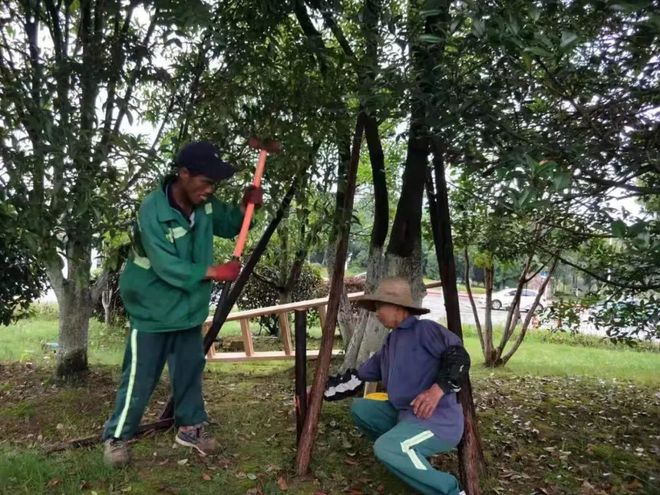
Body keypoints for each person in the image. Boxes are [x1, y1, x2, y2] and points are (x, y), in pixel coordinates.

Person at [102, 141, 263, 467]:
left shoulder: (203, 203)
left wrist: (250, 206)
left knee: (189, 370)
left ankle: (190, 429)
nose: (209, 190)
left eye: (214, 184)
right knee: (140, 376)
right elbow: (166, 266)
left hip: (187, 307)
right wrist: (216, 272)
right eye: (205, 182)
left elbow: (232, 224)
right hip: (151, 307)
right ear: (183, 174)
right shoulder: (153, 211)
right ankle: (117, 437)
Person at [324, 277, 470, 495]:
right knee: (361, 408)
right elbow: (356, 378)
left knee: (387, 447)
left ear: (397, 306)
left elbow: (459, 358)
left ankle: (449, 490)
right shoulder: (391, 342)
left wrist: (436, 391)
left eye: (379, 305)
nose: (376, 312)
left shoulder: (426, 330)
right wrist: (320, 392)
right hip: (406, 415)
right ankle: (404, 457)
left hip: (438, 422)